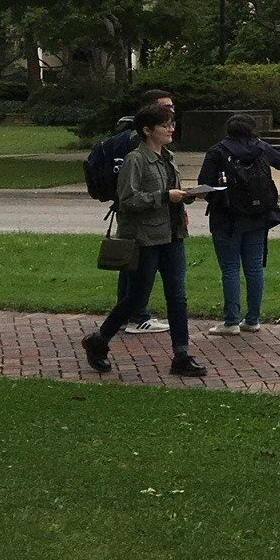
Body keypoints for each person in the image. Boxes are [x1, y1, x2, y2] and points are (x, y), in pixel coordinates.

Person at [83, 103, 205, 377]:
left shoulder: (168, 157)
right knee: (136, 298)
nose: (171, 129)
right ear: (147, 130)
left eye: (172, 123)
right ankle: (99, 340)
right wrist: (164, 197)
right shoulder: (135, 160)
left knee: (178, 296)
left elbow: (171, 192)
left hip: (172, 235)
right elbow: (127, 199)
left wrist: (186, 196)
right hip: (145, 238)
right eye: (165, 125)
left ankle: (181, 355)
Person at [85, 88, 174, 335]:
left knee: (129, 263)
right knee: (137, 269)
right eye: (165, 108)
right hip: (140, 217)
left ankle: (126, 314)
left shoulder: (122, 140)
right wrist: (165, 196)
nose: (171, 114)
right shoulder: (138, 146)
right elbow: (133, 190)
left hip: (131, 210)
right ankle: (136, 315)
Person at [197, 114, 280, 335]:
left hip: (226, 216)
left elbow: (204, 183)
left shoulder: (218, 151)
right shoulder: (261, 148)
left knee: (230, 268)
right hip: (258, 215)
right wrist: (265, 146)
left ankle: (231, 321)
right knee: (254, 267)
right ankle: (253, 318)